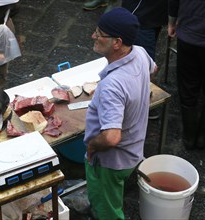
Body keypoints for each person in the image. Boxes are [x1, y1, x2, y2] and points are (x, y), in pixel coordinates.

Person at [84, 7, 156, 219]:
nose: (93, 36)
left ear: (116, 42)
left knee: (108, 213)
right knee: (113, 197)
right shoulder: (140, 52)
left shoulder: (112, 86)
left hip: (109, 162)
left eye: (99, 33)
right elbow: (154, 68)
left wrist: (92, 146)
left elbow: (112, 137)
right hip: (134, 151)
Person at [168, 0, 205, 150]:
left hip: (188, 36)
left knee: (188, 88)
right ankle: (203, 138)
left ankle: (189, 137)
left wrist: (171, 22)